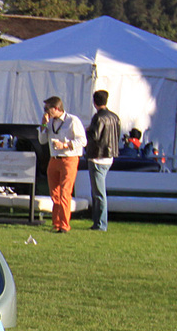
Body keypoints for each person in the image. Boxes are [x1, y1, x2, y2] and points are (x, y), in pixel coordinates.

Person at [38, 95, 86, 234]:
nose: (46, 111)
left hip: (68, 159)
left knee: (65, 192)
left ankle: (64, 225)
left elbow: (83, 141)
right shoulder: (50, 121)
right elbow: (42, 141)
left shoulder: (72, 120)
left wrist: (65, 145)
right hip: (54, 159)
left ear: (56, 108)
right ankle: (56, 223)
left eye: (48, 108)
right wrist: (43, 125)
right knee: (55, 193)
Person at [86, 90, 122, 232]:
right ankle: (98, 222)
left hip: (97, 156)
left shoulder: (98, 118)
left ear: (95, 102)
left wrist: (87, 130)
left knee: (99, 193)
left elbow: (95, 135)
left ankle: (101, 224)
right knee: (98, 192)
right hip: (109, 155)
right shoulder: (115, 117)